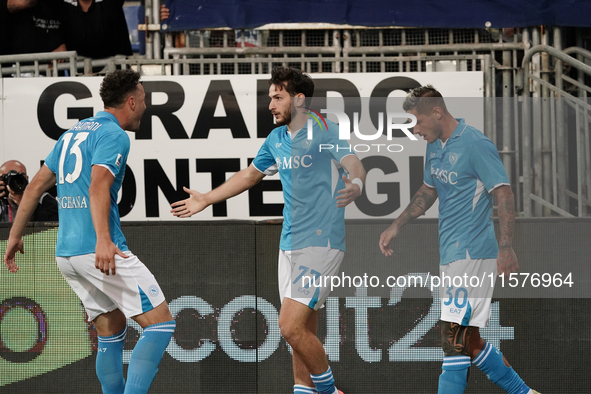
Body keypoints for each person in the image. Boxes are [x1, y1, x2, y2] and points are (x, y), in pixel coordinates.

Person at [171, 66, 365, 394]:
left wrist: (357, 183)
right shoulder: (276, 139)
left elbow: (354, 163)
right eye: (270, 97)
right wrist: (206, 198)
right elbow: (249, 175)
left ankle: (331, 391)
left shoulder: (324, 129)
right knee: (302, 332)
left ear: (299, 99)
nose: (271, 105)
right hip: (289, 243)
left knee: (288, 327)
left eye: (278, 97)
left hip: (321, 241)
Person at [4, 69, 175, 394]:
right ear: (131, 101)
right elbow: (98, 187)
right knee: (161, 323)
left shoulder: (71, 134)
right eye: (143, 99)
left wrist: (14, 236)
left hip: (66, 254)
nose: (145, 105)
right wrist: (104, 240)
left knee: (112, 328)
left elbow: (35, 187)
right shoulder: (114, 135)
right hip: (95, 248)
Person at [379, 86, 539, 394]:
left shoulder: (475, 143)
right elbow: (429, 191)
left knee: (451, 339)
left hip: (472, 254)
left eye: (417, 121)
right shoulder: (435, 144)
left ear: (437, 113)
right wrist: (396, 225)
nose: (415, 129)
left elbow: (503, 192)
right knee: (470, 341)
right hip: (453, 256)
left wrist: (505, 247)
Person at [61, 0, 132, 59]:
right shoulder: (62, 5)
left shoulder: (111, 3)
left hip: (116, 67)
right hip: (76, 69)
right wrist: (55, 43)